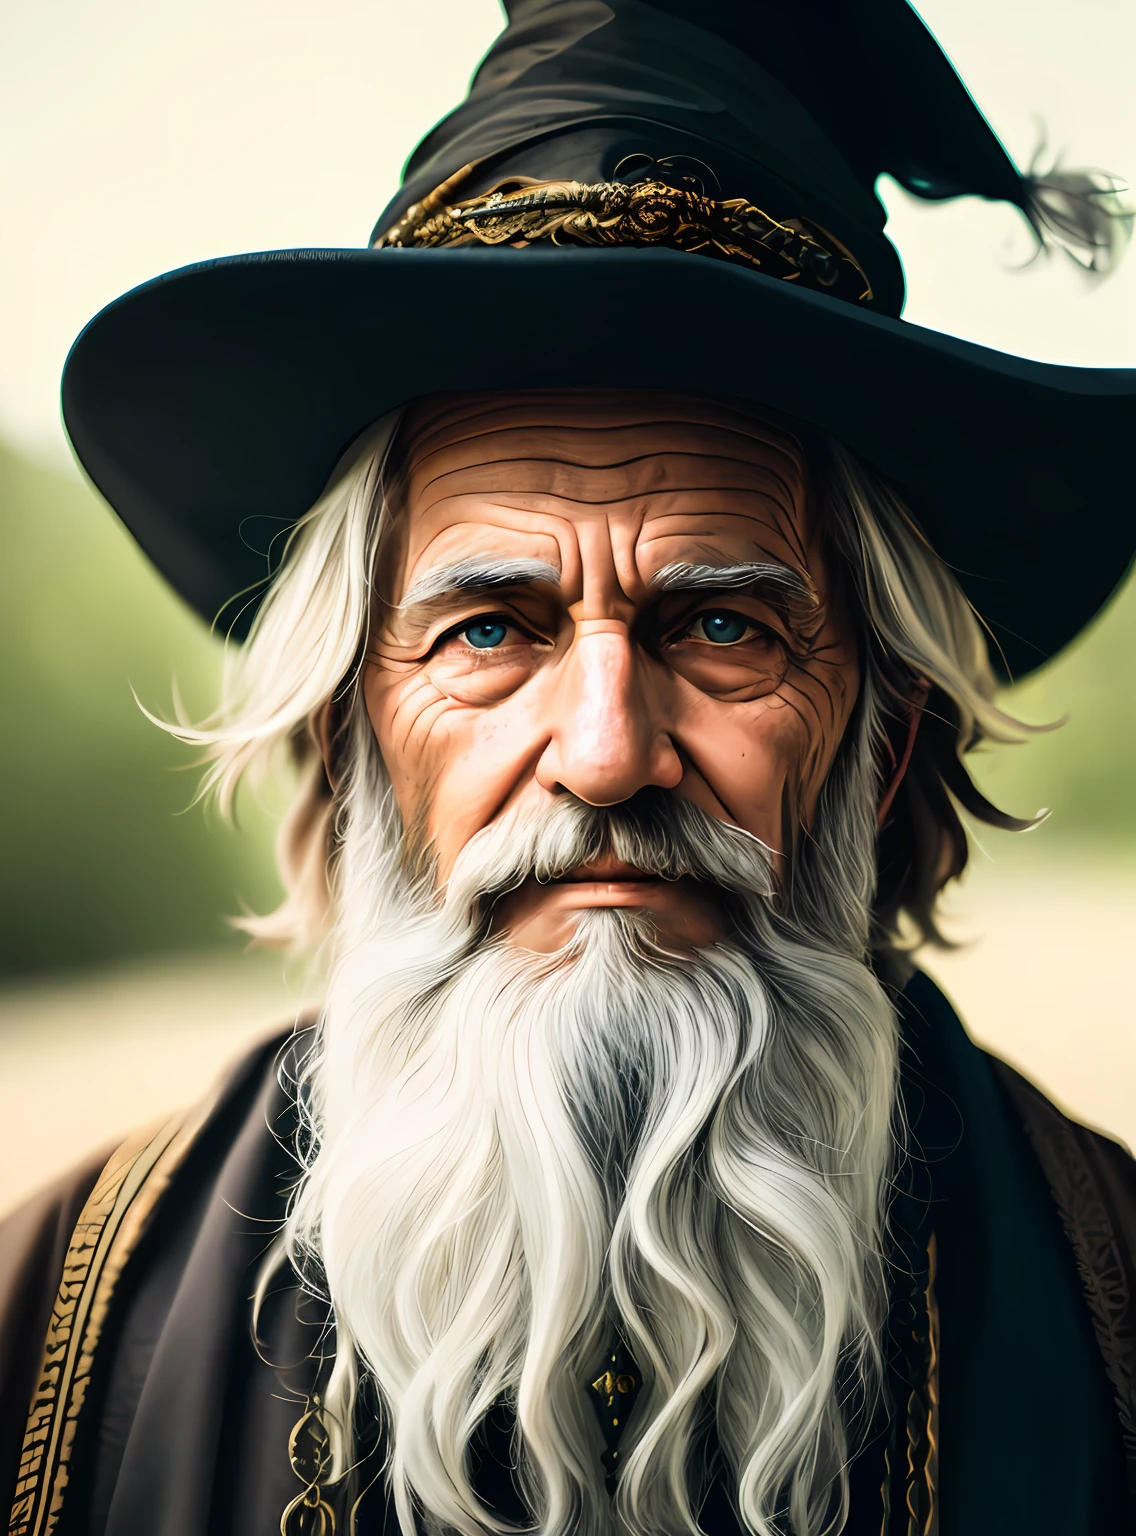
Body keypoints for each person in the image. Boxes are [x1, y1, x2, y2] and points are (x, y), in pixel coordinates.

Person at [3, 2, 1135, 1534]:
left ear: (883, 748)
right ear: (351, 744)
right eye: (487, 631)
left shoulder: (1115, 1309)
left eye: (724, 622)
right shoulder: (43, 1348)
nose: (606, 756)